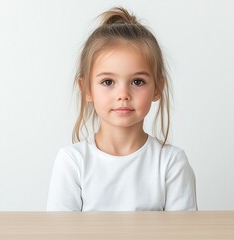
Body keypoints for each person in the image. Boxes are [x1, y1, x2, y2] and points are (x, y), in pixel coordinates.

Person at [46, 7, 197, 211]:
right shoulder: (72, 162)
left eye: (137, 81)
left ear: (157, 88)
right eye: (108, 82)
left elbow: (184, 233)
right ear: (87, 89)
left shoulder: (171, 163)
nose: (123, 94)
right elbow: (60, 232)